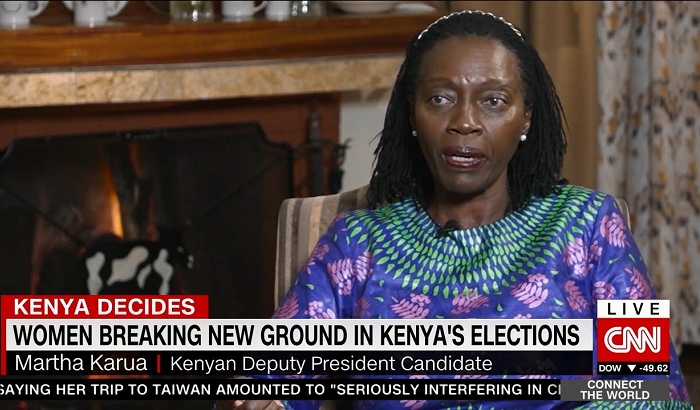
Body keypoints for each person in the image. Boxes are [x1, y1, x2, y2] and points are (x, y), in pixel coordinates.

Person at [218, 9, 692, 410]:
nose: (464, 122)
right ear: (412, 114)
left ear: (525, 118)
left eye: (493, 101)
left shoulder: (589, 224)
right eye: (441, 98)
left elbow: (652, 390)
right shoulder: (358, 242)